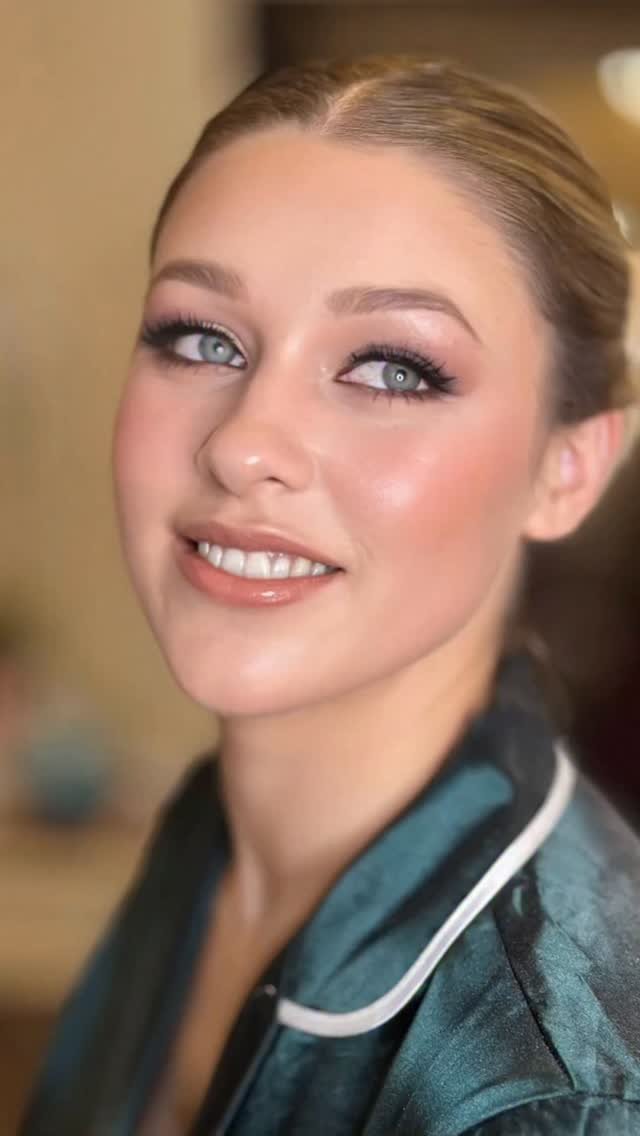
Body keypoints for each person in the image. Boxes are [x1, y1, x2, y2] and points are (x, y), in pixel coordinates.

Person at [20, 55, 640, 1135]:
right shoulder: (209, 836)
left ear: (568, 466)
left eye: (392, 367)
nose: (244, 443)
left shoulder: (550, 1090)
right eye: (201, 338)